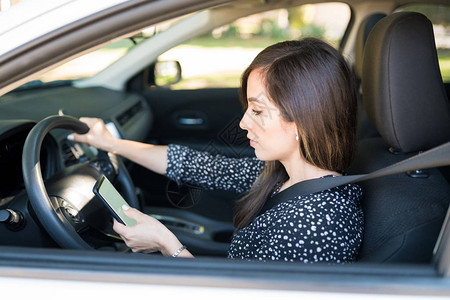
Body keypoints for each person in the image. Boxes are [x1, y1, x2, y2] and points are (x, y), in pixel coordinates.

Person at [70, 38, 363, 263]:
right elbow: (194, 164)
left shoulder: (316, 224)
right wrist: (111, 144)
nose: (244, 122)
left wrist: (167, 244)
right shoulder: (282, 174)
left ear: (303, 120)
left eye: (258, 111)